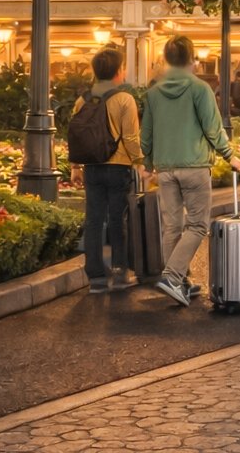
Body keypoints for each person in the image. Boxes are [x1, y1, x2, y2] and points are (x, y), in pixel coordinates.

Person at [141, 36, 240, 307]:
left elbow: (147, 134)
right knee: (198, 225)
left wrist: (148, 163)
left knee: (172, 227)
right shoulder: (200, 89)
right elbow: (213, 128)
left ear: (165, 58)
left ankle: (181, 282)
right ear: (191, 58)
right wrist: (230, 155)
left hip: (165, 169)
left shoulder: (153, 92)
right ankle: (173, 276)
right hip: (195, 167)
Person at [74, 48, 143, 294]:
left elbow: (77, 136)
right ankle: (120, 271)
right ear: (117, 71)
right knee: (117, 220)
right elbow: (131, 137)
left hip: (92, 167)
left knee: (93, 220)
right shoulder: (124, 99)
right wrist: (140, 162)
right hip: (118, 167)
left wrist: (74, 167)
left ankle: (95, 278)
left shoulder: (82, 100)